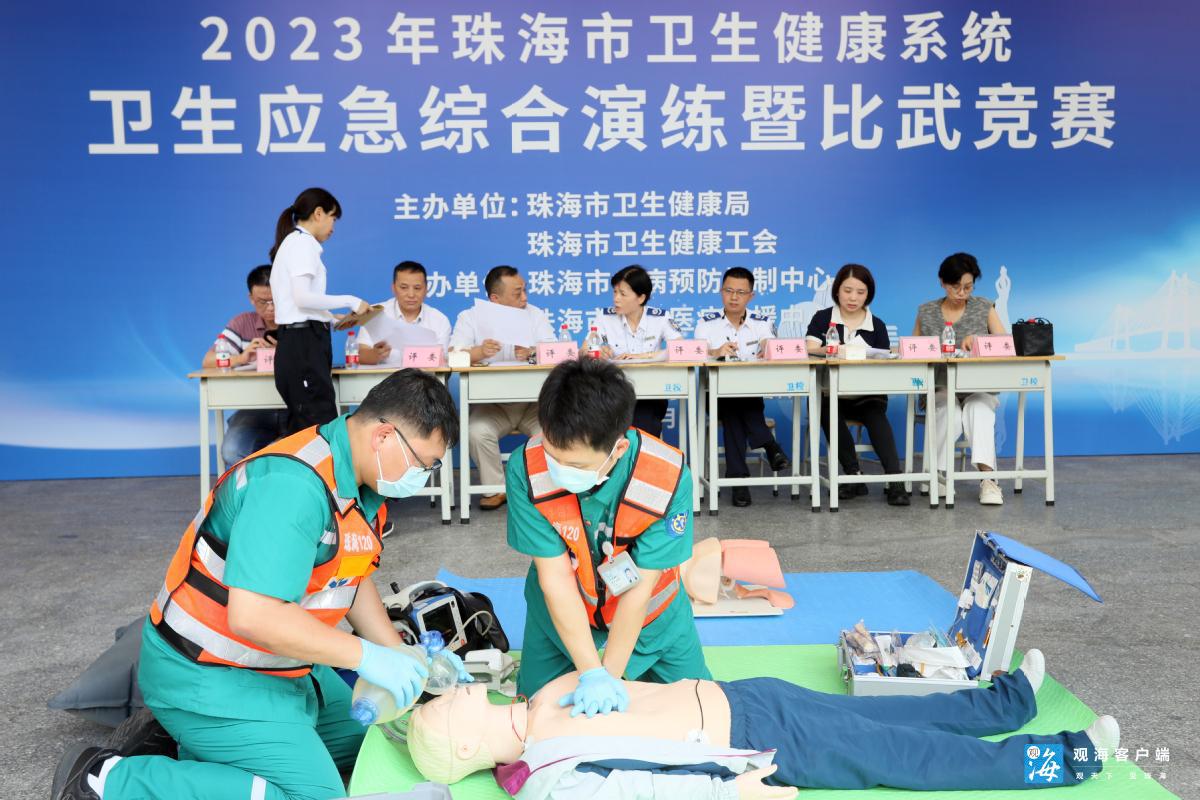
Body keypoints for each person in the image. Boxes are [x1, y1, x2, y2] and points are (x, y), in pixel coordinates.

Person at [51, 370, 471, 800]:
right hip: (209, 673)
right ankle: (109, 778)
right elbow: (254, 616)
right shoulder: (292, 487)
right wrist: (366, 656)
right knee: (313, 797)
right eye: (424, 465)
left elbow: (352, 576)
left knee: (374, 743)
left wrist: (398, 652)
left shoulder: (362, 486)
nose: (423, 476)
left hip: (282, 665)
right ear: (384, 436)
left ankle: (210, 753)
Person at [407, 650, 1121, 797]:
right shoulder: (543, 778)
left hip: (745, 695)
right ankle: (1069, 759)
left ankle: (1005, 703)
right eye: (448, 706)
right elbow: (641, 791)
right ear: (465, 744)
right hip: (759, 745)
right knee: (915, 756)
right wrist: (730, 791)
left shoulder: (535, 700)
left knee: (895, 711)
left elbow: (608, 677)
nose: (458, 693)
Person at [506, 357, 710, 704]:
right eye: (553, 455)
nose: (558, 471)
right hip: (558, 618)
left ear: (618, 449)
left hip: (653, 620)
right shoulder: (525, 467)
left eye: (575, 465)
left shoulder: (666, 477)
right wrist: (591, 672)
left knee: (701, 706)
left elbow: (640, 589)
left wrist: (608, 678)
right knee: (531, 710)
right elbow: (554, 577)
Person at [449, 265, 555, 510]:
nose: (524, 298)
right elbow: (453, 355)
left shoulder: (535, 315)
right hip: (492, 406)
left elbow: (555, 350)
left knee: (555, 431)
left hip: (533, 405)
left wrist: (532, 352)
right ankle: (495, 489)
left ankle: (546, 490)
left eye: (525, 290)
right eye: (517, 293)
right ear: (495, 299)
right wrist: (478, 352)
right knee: (476, 431)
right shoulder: (470, 317)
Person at [805, 264, 910, 507]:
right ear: (837, 291)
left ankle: (895, 480)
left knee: (876, 416)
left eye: (860, 292)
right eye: (847, 290)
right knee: (825, 408)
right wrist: (835, 350)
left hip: (868, 394)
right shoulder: (823, 318)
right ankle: (853, 475)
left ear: (868, 294)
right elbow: (809, 349)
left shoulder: (877, 325)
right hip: (831, 393)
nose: (853, 298)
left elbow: (884, 359)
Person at [269, 187, 369, 435]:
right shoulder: (303, 244)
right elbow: (302, 298)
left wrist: (331, 319)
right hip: (303, 345)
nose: (333, 226)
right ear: (318, 213)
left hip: (301, 342)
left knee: (308, 424)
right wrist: (350, 300)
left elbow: (299, 304)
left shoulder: (295, 242)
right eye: (333, 218)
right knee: (318, 425)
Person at [913, 252, 1008, 505]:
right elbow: (913, 351)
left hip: (978, 386)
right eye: (956, 286)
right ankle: (939, 476)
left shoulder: (984, 307)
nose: (962, 292)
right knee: (950, 412)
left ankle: (989, 480)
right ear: (942, 282)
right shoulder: (926, 311)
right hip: (940, 386)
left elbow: (1005, 344)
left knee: (979, 409)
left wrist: (979, 340)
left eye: (968, 286)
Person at [694, 267, 791, 508]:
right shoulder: (707, 324)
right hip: (715, 397)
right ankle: (770, 446)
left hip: (749, 396)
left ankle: (738, 481)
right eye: (729, 291)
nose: (734, 297)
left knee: (736, 412)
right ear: (721, 292)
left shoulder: (762, 322)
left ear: (751, 296)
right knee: (732, 403)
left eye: (740, 292)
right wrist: (716, 352)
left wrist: (768, 348)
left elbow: (771, 343)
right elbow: (695, 353)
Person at [200, 264, 287, 464]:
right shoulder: (242, 323)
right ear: (251, 299)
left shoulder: (299, 323)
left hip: (295, 406)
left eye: (275, 300)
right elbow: (207, 361)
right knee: (233, 451)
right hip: (256, 409)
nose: (270, 308)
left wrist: (287, 351)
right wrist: (241, 358)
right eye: (262, 302)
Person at [596, 264, 683, 436]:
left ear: (641, 298)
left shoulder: (660, 318)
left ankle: (636, 451)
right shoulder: (604, 317)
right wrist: (598, 352)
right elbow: (585, 350)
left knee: (643, 420)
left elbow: (680, 349)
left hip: (651, 392)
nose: (616, 299)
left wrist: (644, 356)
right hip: (613, 392)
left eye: (623, 294)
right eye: (615, 292)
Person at [357, 260, 452, 366]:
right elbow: (360, 355)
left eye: (417, 288)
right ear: (393, 288)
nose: (411, 294)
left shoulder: (440, 320)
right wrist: (375, 355)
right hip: (384, 376)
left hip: (425, 376)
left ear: (426, 289)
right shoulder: (375, 314)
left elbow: (442, 361)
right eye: (404, 288)